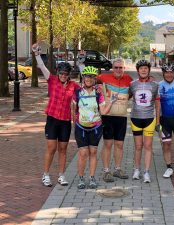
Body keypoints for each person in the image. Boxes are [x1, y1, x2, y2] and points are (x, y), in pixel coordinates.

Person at [32, 43, 80, 187]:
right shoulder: (52, 80)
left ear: (69, 75)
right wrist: (36, 54)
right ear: (58, 72)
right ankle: (46, 175)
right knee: (51, 148)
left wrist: (82, 63)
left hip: (65, 120)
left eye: (66, 74)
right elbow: (42, 67)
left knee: (63, 149)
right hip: (52, 119)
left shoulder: (74, 86)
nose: (63, 76)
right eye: (61, 73)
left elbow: (86, 84)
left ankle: (61, 175)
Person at [73, 66, 117, 189]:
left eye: (92, 77)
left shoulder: (98, 94)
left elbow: (103, 112)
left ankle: (92, 178)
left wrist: (112, 102)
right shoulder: (77, 93)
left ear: (95, 79)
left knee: (93, 152)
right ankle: (81, 178)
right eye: (87, 76)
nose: (89, 79)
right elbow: (74, 111)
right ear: (83, 78)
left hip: (95, 128)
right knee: (83, 153)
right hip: (80, 127)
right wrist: (74, 125)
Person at [96, 58, 133, 182]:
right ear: (112, 68)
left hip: (121, 117)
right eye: (116, 67)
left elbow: (131, 94)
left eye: (120, 67)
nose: (118, 70)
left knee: (119, 144)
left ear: (124, 68)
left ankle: (117, 169)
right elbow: (90, 81)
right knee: (108, 144)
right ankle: (106, 171)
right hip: (108, 116)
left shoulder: (129, 80)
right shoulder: (102, 77)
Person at [129, 59, 160, 183]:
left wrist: (158, 121)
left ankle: (146, 172)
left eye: (145, 68)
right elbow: (126, 97)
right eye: (141, 68)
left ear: (149, 70)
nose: (143, 70)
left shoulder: (155, 85)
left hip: (149, 119)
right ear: (138, 71)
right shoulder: (132, 84)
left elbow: (157, 103)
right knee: (138, 146)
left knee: (148, 146)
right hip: (135, 118)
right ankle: (137, 169)